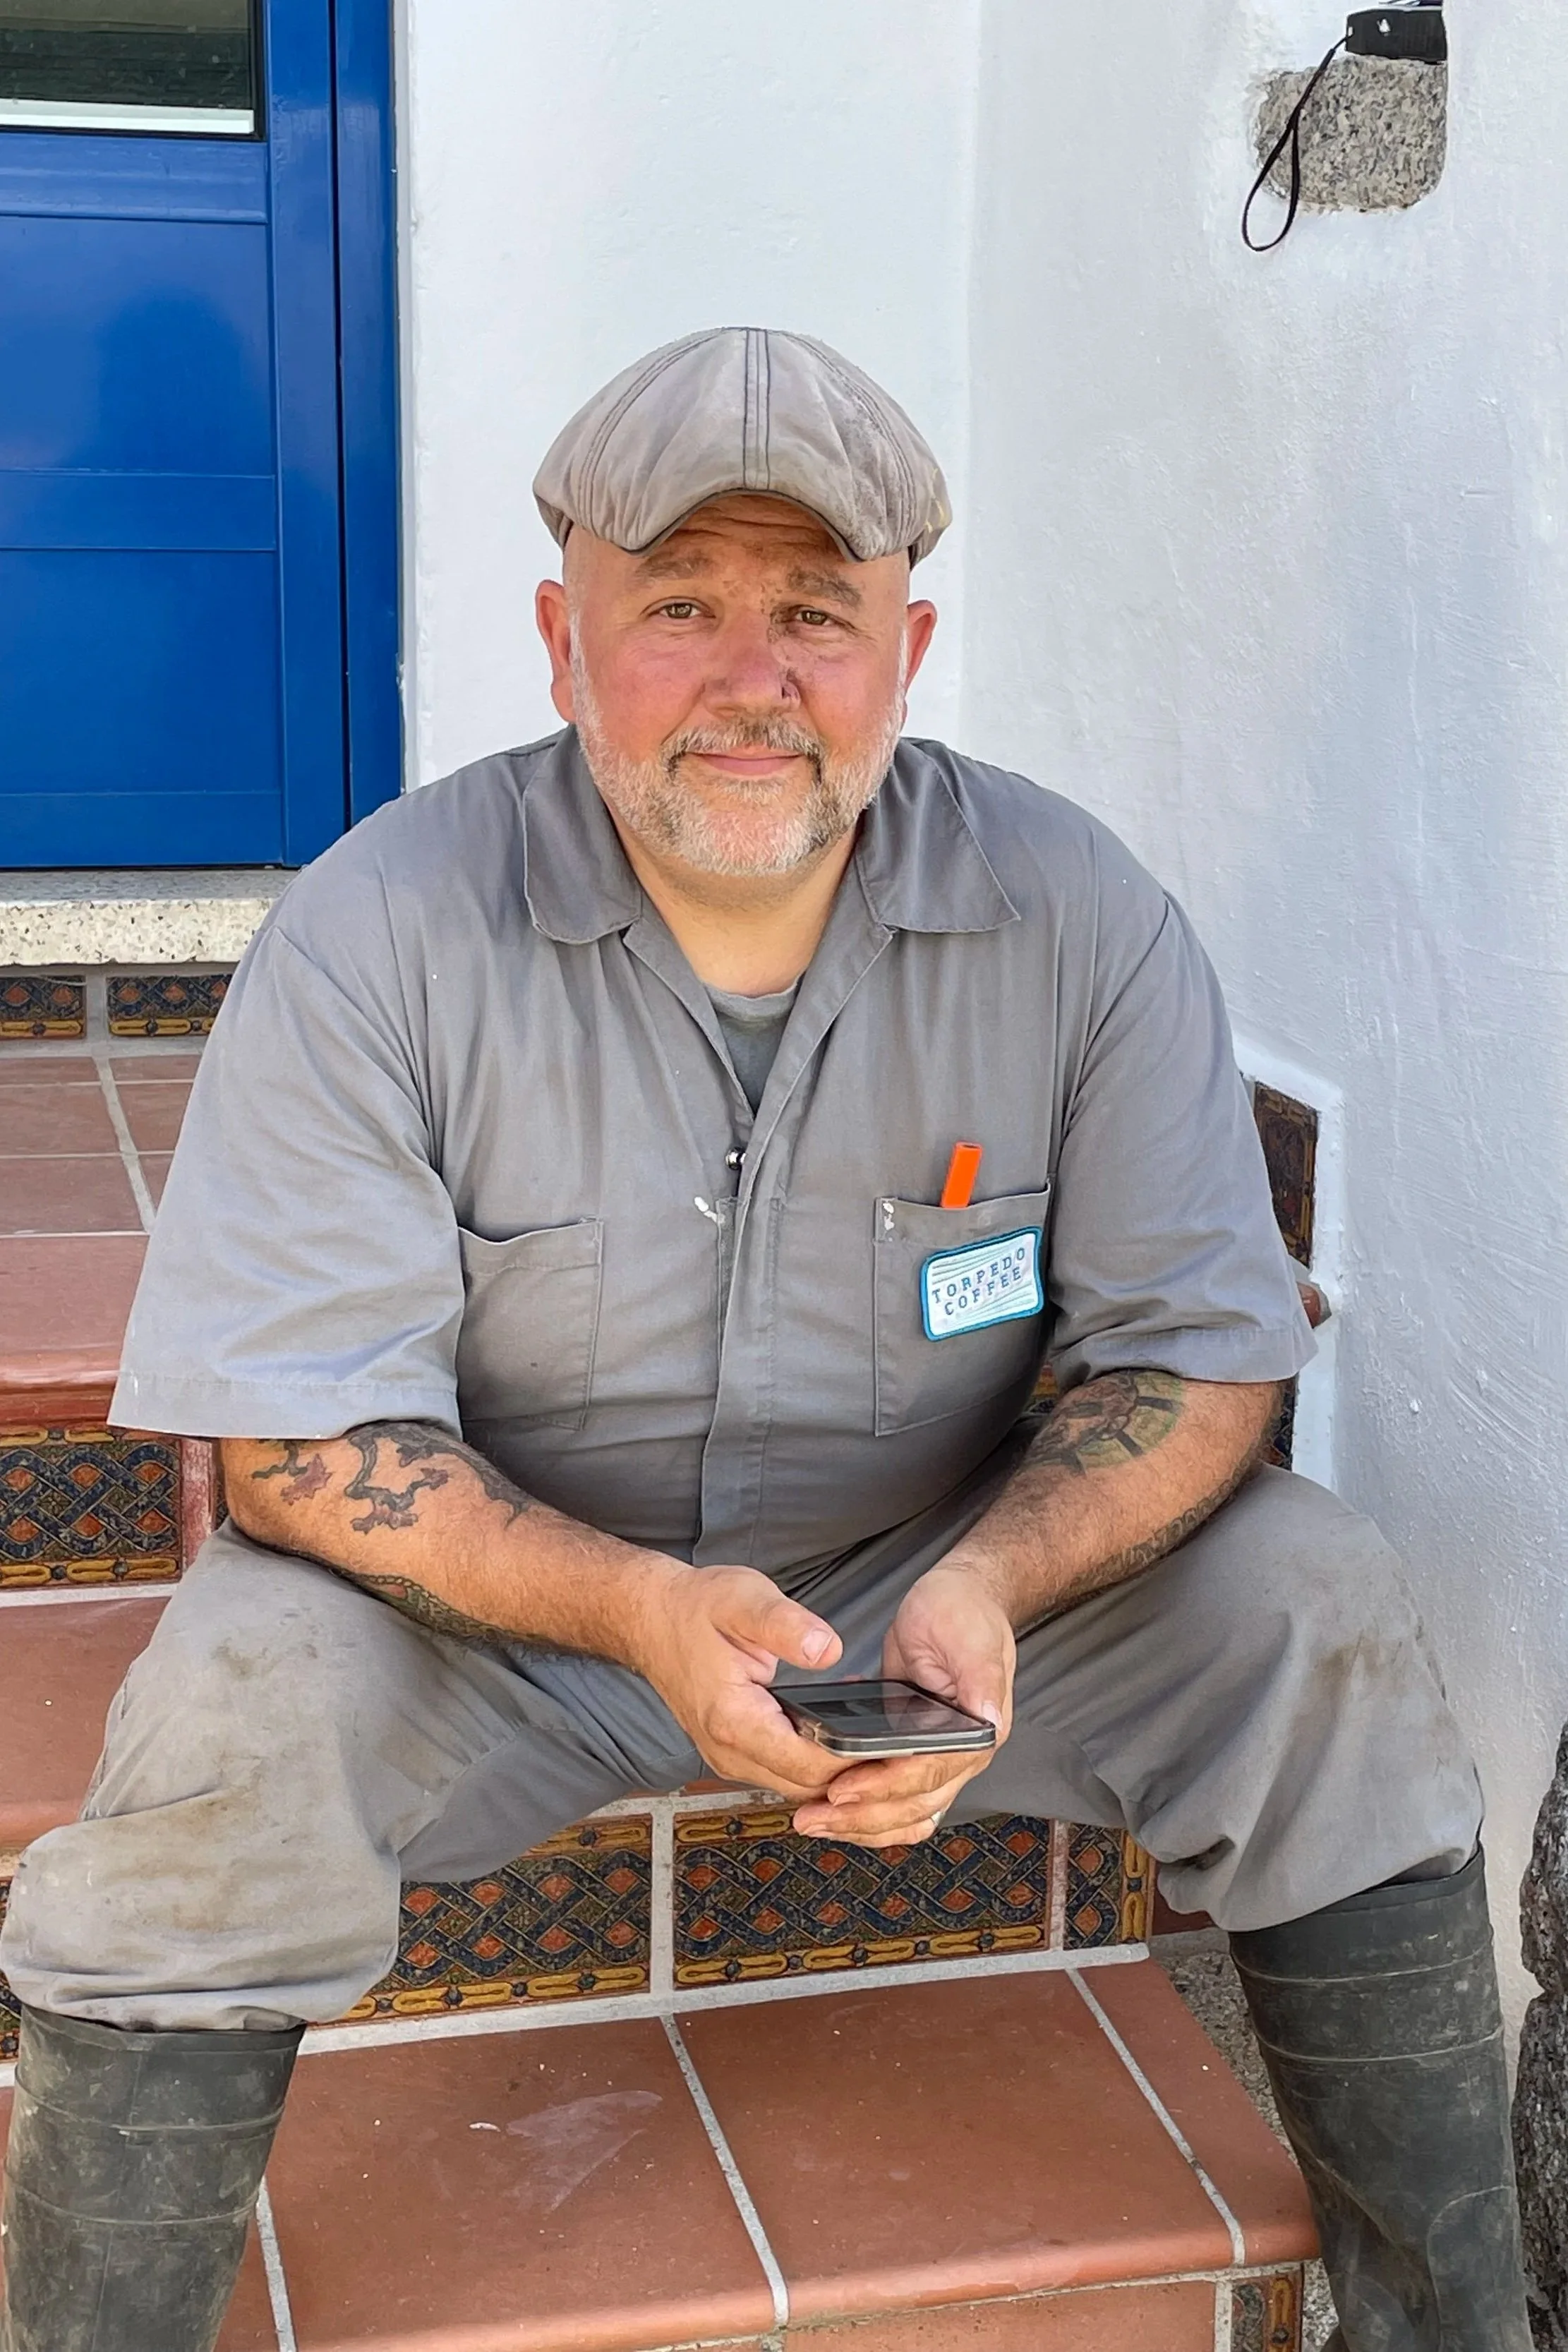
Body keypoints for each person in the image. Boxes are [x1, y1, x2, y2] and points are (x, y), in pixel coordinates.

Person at [0, 328, 1529, 2352]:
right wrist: (638, 1609)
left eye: (814, 612)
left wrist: (991, 1582)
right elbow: (297, 1449)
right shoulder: (376, 931)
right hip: (504, 1621)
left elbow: (1200, 1358)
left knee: (1314, 1605)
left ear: (908, 647)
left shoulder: (1077, 914)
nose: (753, 681)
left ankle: (1452, 2326)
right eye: (679, 608)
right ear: (562, 640)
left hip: (940, 1602)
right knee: (228, 1709)